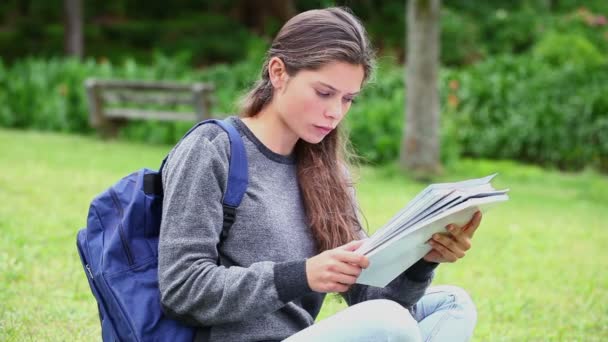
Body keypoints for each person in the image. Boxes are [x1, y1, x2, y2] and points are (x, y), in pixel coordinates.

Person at [158, 7, 479, 342]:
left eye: (348, 99)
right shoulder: (213, 148)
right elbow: (182, 289)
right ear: (278, 73)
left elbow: (372, 304)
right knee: (385, 321)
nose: (334, 112)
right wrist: (301, 275)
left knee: (454, 304)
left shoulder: (326, 172)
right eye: (324, 93)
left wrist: (421, 261)